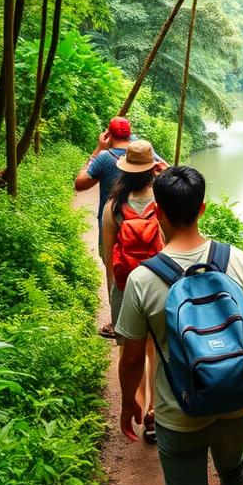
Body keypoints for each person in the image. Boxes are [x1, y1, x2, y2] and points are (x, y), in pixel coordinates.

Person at [115, 166, 243, 485]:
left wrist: (129, 403)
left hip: (180, 410)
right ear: (203, 208)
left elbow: (132, 356)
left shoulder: (143, 279)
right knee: (232, 466)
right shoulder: (237, 261)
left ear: (158, 212)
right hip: (239, 398)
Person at [73, 116, 166, 337]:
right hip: (149, 226)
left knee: (114, 270)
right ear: (129, 133)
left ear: (109, 134)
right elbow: (168, 170)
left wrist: (98, 148)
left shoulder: (104, 158)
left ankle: (118, 323)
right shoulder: (144, 154)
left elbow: (80, 184)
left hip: (112, 222)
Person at [101, 140, 163, 442]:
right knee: (154, 350)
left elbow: (106, 254)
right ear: (152, 169)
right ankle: (153, 412)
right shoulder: (163, 203)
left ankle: (136, 405)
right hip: (157, 286)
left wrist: (114, 289)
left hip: (126, 286)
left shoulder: (113, 206)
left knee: (130, 351)